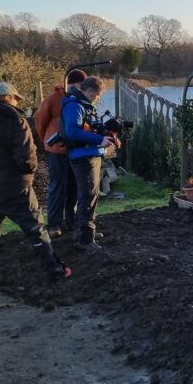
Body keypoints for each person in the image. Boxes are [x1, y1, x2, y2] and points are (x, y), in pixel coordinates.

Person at [0, 82, 71, 305]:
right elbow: (28, 157)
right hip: (17, 188)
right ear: (8, 98)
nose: (18, 102)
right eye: (16, 98)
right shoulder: (15, 121)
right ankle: (56, 272)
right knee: (36, 231)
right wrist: (25, 174)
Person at [62, 75, 116, 252]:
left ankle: (84, 232)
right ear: (90, 91)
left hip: (89, 154)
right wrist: (99, 140)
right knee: (87, 197)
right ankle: (85, 239)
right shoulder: (75, 106)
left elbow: (89, 129)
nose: (98, 98)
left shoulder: (83, 105)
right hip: (82, 156)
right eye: (98, 94)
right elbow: (72, 132)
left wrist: (108, 137)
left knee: (90, 196)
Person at [34, 68, 87, 239]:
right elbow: (40, 121)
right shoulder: (53, 99)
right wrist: (47, 141)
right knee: (57, 186)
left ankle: (71, 221)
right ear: (75, 84)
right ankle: (54, 224)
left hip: (76, 150)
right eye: (80, 84)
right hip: (57, 151)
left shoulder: (81, 100)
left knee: (74, 187)